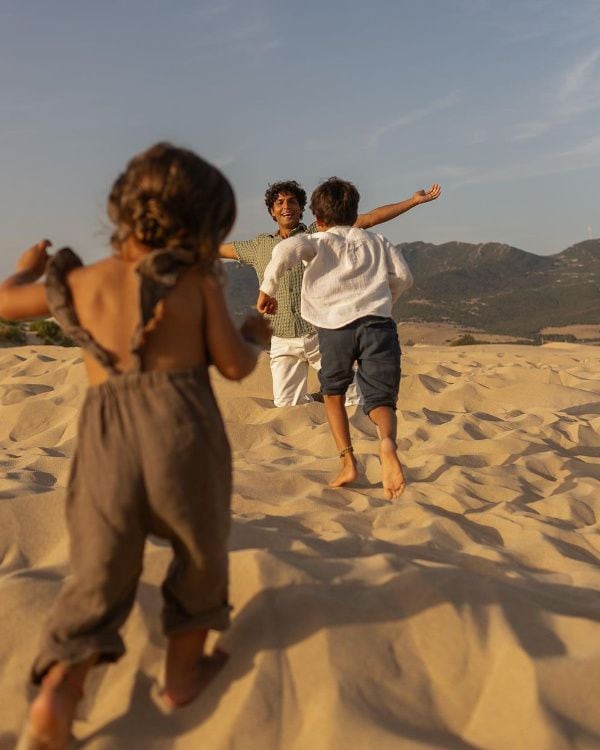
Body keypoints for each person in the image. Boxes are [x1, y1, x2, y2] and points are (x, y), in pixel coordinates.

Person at [0, 143, 271, 750]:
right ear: (202, 226)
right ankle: (181, 676)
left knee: (100, 568)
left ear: (121, 211)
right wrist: (253, 335)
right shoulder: (197, 281)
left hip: (105, 441)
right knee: (199, 551)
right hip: (183, 434)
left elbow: (5, 301)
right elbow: (233, 367)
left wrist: (25, 266)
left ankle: (60, 693)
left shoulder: (77, 281)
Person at [257, 177, 415, 499]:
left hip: (334, 329)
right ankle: (386, 442)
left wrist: (267, 288)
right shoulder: (378, 241)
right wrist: (382, 303)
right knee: (381, 398)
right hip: (378, 326)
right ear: (354, 211)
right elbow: (403, 277)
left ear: (316, 218)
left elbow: (286, 249)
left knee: (333, 394)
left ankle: (348, 462)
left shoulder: (319, 241)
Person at [219, 179, 440, 407]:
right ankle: (318, 400)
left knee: (352, 399)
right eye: (279, 203)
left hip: (319, 332)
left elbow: (370, 218)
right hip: (282, 339)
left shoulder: (321, 232)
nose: (286, 206)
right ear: (271, 211)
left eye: (292, 201)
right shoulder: (257, 246)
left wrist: (413, 201)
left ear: (302, 208)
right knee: (286, 405)